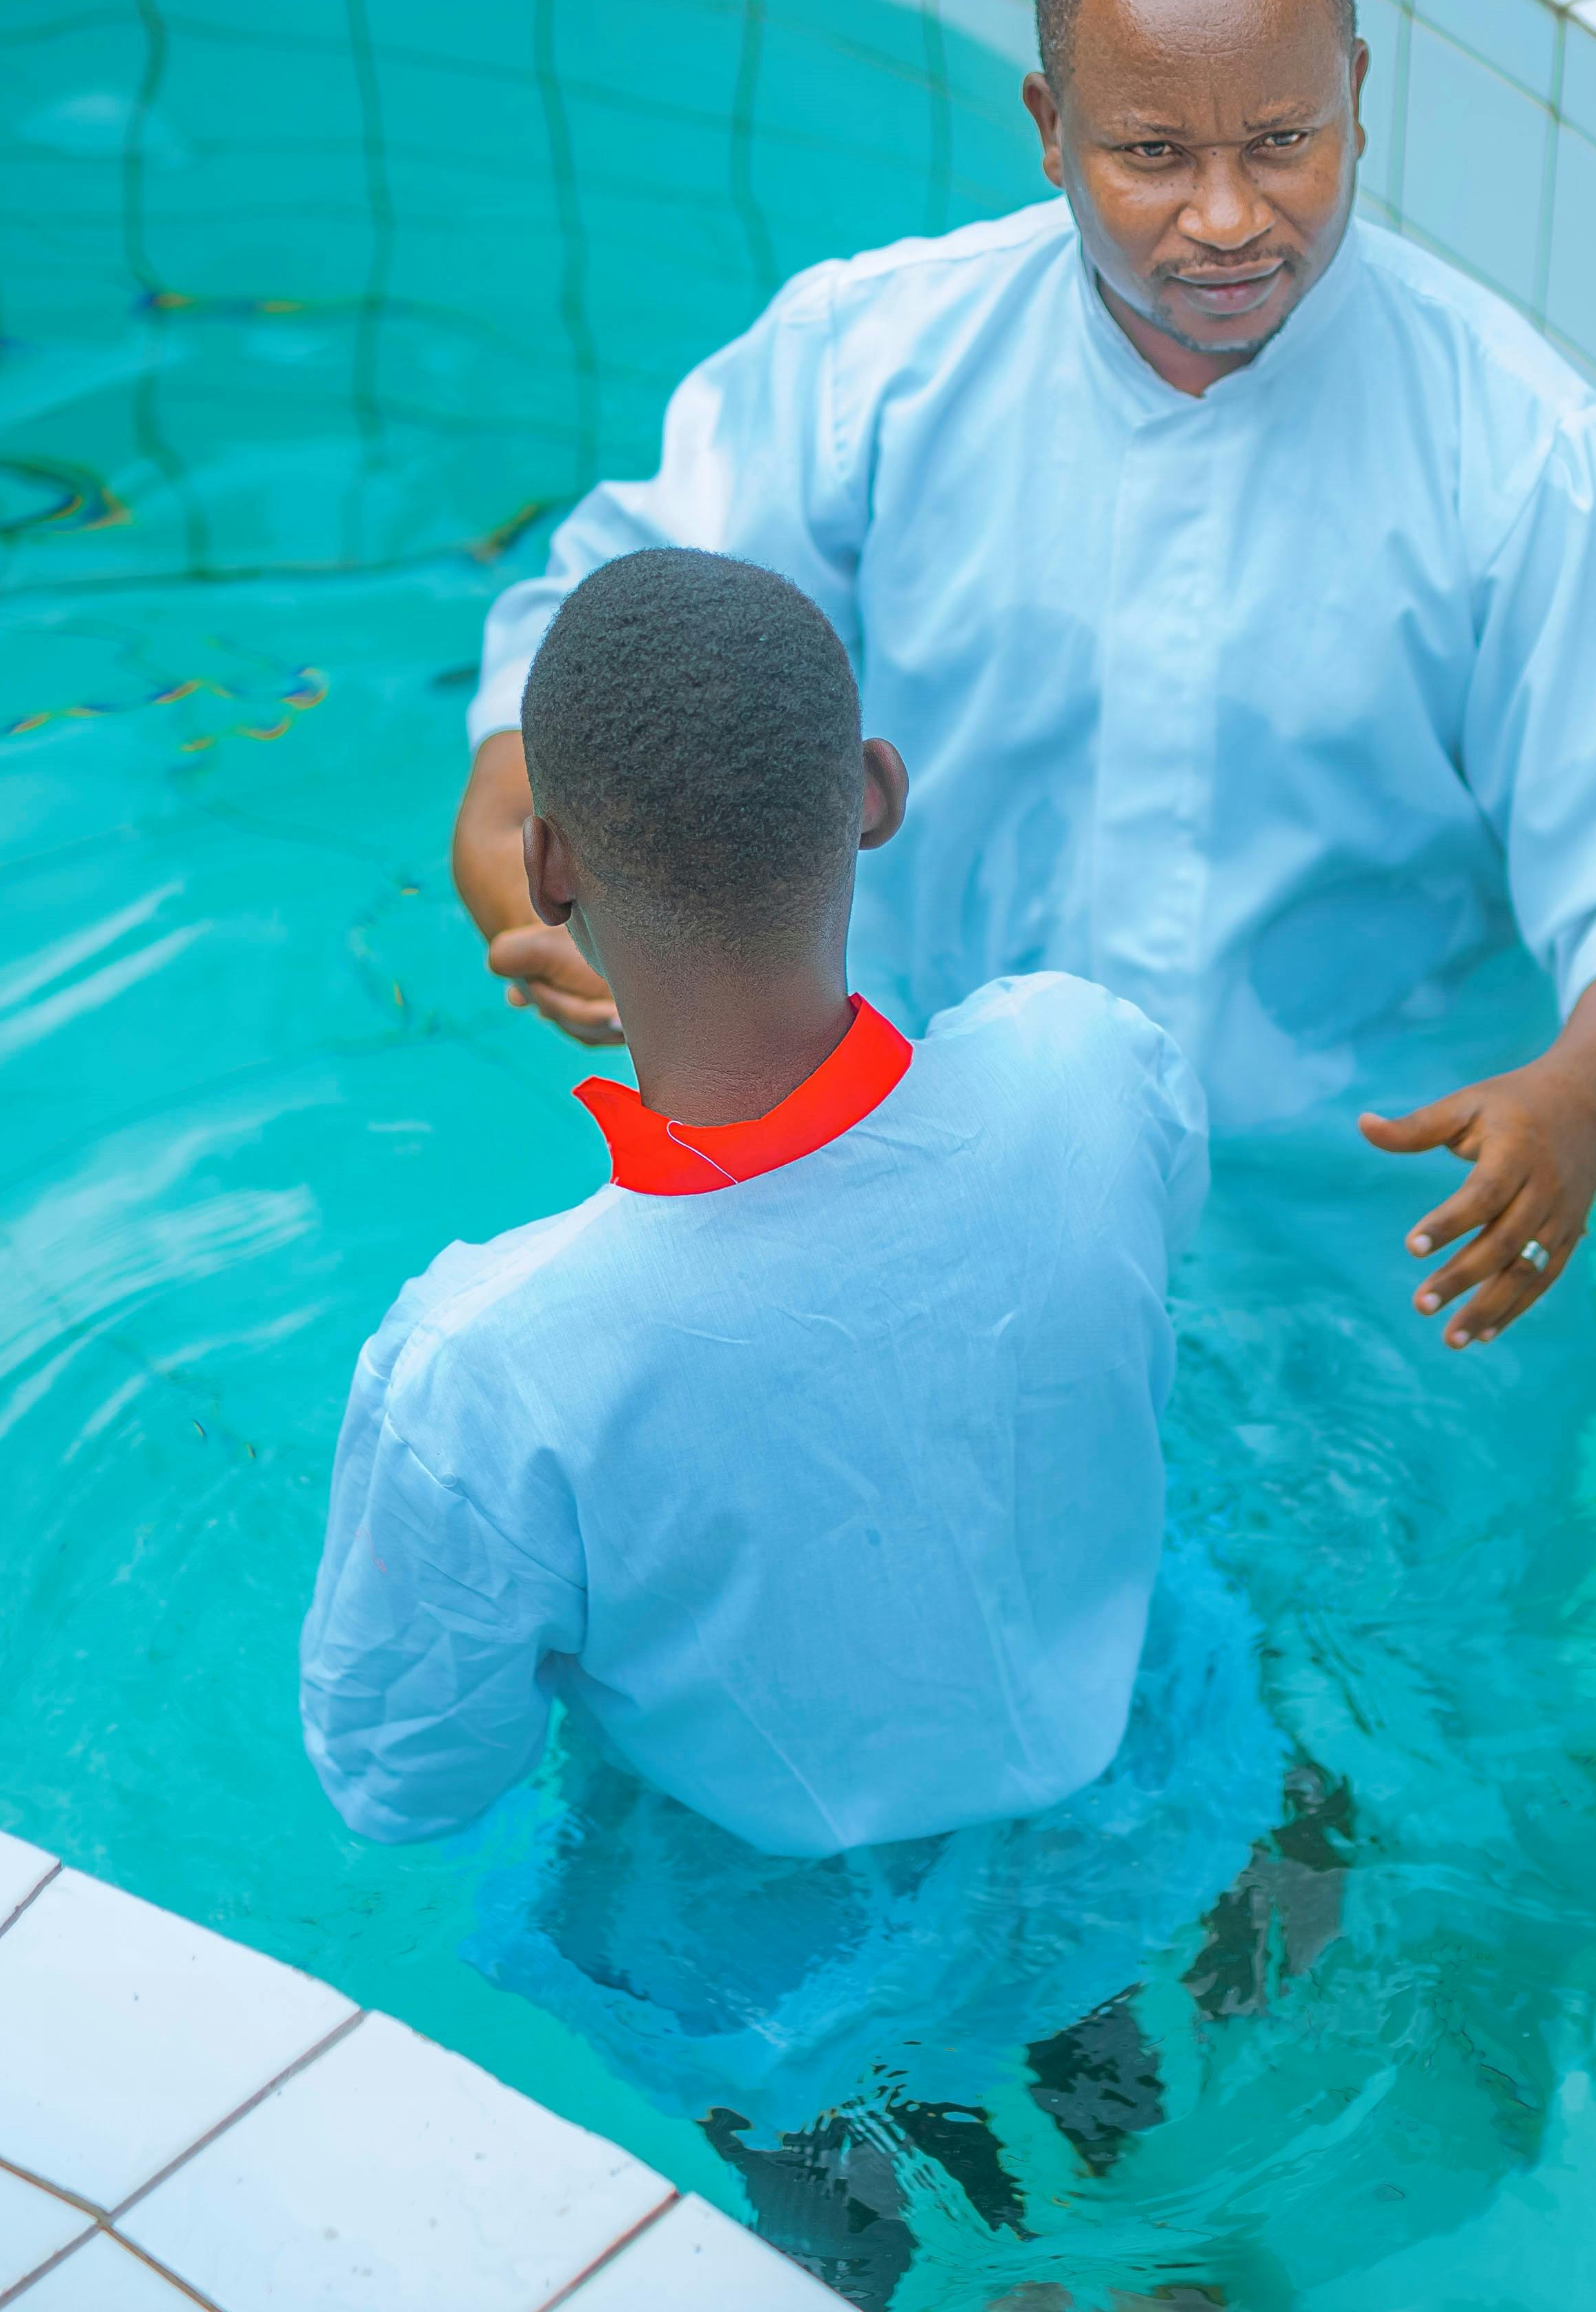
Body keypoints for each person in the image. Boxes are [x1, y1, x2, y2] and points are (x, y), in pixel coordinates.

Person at [448, 0, 1596, 1358]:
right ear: (1048, 129)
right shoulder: (875, 369)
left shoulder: (1521, 460)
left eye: (1285, 139)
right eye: (1152, 154)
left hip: (1366, 1238)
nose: (1227, 216)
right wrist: (518, 803)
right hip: (918, 1174)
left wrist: (1575, 1098)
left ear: (1358, 93)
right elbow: (623, 609)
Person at [302, 547, 1282, 2304]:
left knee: (846, 2225)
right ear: (876, 798)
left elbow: (401, 1784)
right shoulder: (1086, 1070)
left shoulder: (497, 1364)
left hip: (786, 1960)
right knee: (1123, 2112)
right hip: (1137, 1790)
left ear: (548, 863)